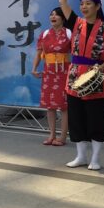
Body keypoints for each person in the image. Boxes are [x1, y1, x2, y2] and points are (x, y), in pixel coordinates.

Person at [59, 0, 104, 171]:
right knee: (76, 118)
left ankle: (96, 158)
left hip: (95, 76)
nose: (83, 7)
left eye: (88, 4)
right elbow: (62, 2)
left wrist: (101, 68)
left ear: (97, 6)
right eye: (82, 4)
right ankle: (80, 156)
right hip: (75, 76)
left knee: (95, 119)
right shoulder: (76, 23)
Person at [32, 8, 71, 146]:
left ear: (63, 18)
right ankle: (51, 135)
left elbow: (77, 53)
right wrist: (35, 68)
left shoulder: (69, 33)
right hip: (49, 72)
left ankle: (62, 136)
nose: (53, 17)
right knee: (50, 105)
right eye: (51, 14)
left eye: (56, 15)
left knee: (64, 105)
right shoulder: (45, 34)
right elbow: (39, 53)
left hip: (64, 71)